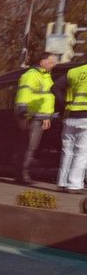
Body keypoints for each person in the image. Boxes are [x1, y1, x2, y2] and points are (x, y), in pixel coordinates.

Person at [14, 52, 58, 184]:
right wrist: (23, 109)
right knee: (28, 146)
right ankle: (22, 176)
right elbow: (24, 92)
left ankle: (22, 174)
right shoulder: (31, 75)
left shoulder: (45, 76)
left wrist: (46, 116)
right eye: (51, 62)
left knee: (31, 146)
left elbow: (46, 98)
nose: (54, 64)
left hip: (38, 115)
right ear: (42, 62)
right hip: (30, 115)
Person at [58, 60, 87, 194]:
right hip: (85, 118)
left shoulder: (73, 72)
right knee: (81, 152)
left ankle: (62, 182)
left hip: (70, 116)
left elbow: (55, 87)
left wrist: (64, 102)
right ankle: (74, 185)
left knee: (67, 151)